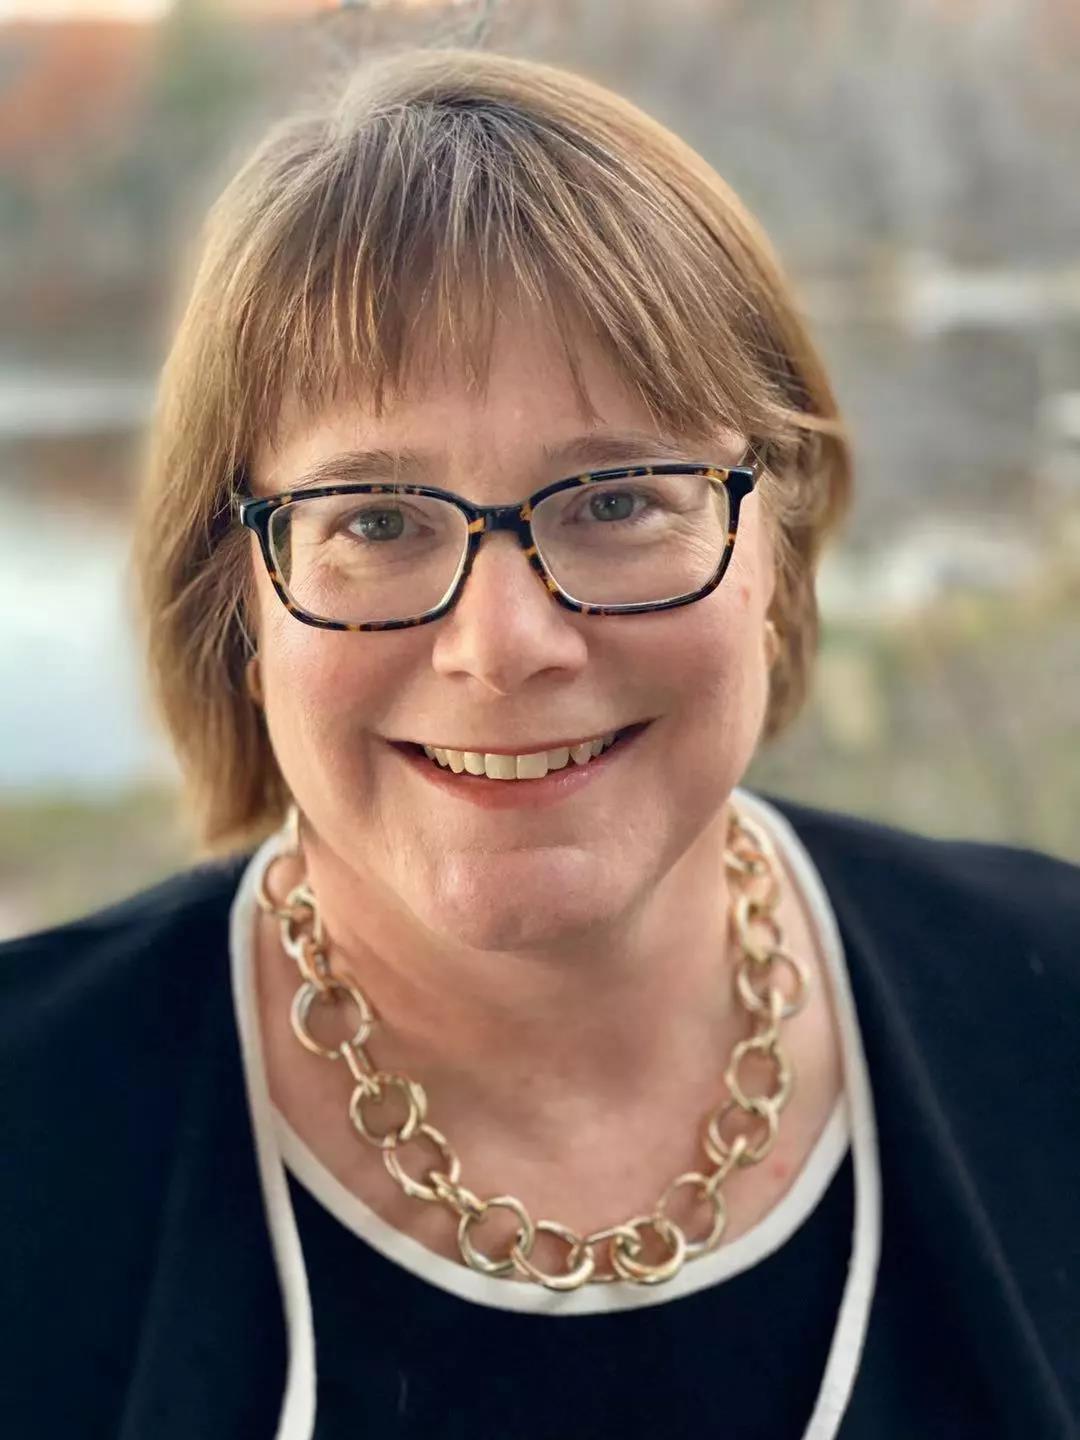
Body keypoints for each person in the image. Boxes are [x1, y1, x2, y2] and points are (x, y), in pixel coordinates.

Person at [3, 47, 1077, 1440]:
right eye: (376, 520)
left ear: (780, 536)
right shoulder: (31, 1124)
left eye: (618, 499)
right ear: (241, 599)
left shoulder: (1051, 1007)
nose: (502, 646)